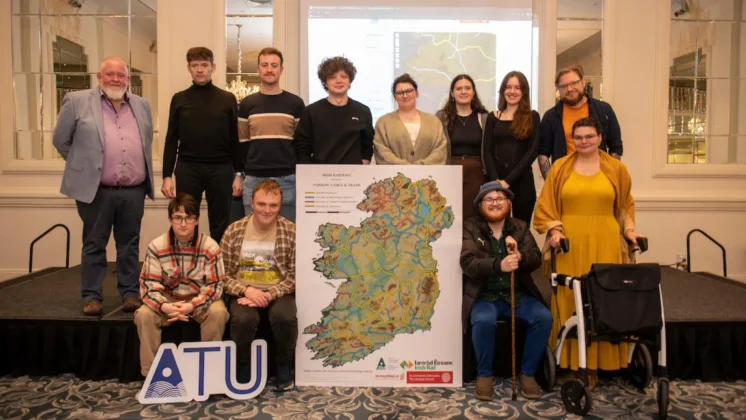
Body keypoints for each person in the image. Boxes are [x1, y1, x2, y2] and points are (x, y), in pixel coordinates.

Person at [533, 117, 644, 390]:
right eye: (579, 137)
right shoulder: (560, 168)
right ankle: (570, 362)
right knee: (571, 299)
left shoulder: (616, 169)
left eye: (589, 136)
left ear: (599, 136)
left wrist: (630, 232)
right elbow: (545, 208)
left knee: (603, 300)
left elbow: (625, 207)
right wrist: (555, 232)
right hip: (570, 244)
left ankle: (598, 364)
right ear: (573, 139)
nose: (584, 141)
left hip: (606, 242)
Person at [52, 56, 154, 316]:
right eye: (110, 74)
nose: (116, 79)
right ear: (99, 76)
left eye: (121, 75)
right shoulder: (77, 101)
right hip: (97, 191)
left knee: (129, 245)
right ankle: (92, 297)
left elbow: (145, 142)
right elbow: (61, 140)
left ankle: (130, 293)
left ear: (128, 79)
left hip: (133, 190)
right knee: (94, 244)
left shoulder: (141, 105)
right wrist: (86, 166)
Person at [461, 181, 550, 401]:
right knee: (483, 321)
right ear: (480, 204)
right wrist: (498, 265)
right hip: (484, 297)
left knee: (543, 317)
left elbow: (536, 257)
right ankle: (484, 375)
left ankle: (527, 373)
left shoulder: (520, 227)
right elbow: (468, 262)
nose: (494, 203)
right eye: (489, 199)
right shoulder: (470, 227)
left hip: (517, 296)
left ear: (508, 203)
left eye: (499, 198)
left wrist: (521, 257)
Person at [134, 193, 229, 377]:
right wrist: (165, 306)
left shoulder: (210, 247)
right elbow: (148, 286)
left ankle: (210, 373)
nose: (183, 223)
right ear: (170, 219)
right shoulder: (156, 246)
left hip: (198, 300)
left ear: (197, 220)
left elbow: (214, 286)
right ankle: (151, 374)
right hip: (168, 300)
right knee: (143, 315)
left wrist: (191, 306)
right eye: (178, 218)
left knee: (218, 312)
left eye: (188, 218)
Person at [221, 179, 297, 391]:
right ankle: (243, 366)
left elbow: (293, 277)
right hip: (243, 291)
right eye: (262, 204)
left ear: (280, 206)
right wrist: (247, 290)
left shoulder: (291, 232)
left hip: (279, 291)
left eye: (273, 205)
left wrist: (270, 294)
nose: (267, 210)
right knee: (243, 319)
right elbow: (222, 275)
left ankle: (283, 365)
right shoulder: (234, 231)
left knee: (285, 316)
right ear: (252, 203)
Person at [161, 46, 243, 244]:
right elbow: (171, 139)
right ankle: (187, 265)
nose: (200, 70)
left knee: (220, 222)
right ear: (189, 68)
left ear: (212, 67)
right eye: (195, 65)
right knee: (185, 219)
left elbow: (235, 139)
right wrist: (166, 175)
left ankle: (218, 268)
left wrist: (239, 174)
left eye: (204, 65)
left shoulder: (227, 99)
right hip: (188, 168)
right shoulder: (179, 99)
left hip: (221, 168)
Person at [238, 47, 305, 222]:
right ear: (258, 69)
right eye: (264, 65)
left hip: (288, 179)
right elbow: (243, 143)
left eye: (274, 65)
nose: (269, 70)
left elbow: (301, 143)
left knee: (288, 236)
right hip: (253, 179)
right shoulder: (247, 104)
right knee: (254, 237)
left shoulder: (296, 103)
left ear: (281, 69)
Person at [538, 65, 623, 179]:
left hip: (600, 179)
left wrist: (610, 177)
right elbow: (543, 153)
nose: (569, 89)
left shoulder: (604, 110)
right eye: (564, 86)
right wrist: (551, 184)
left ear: (583, 82)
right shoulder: (551, 116)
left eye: (574, 83)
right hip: (564, 181)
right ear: (557, 88)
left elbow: (615, 147)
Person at [482, 71, 540, 224]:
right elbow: (486, 151)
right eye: (508, 87)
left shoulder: (532, 116)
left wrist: (508, 181)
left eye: (517, 88)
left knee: (521, 229)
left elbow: (532, 151)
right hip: (496, 182)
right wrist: (496, 182)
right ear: (503, 90)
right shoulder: (493, 117)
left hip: (522, 182)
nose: (512, 91)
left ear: (524, 92)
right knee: (496, 230)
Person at [294, 56, 374, 164]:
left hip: (354, 176)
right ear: (325, 83)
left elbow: (367, 145)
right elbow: (302, 147)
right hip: (320, 175)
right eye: (332, 77)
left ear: (350, 81)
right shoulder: (311, 111)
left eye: (344, 76)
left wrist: (364, 164)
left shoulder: (363, 111)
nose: (339, 81)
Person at [436, 74, 489, 220]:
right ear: (452, 93)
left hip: (477, 174)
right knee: (451, 214)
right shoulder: (441, 117)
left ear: (473, 92)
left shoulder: (484, 117)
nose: (463, 91)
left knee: (476, 214)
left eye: (467, 88)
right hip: (450, 172)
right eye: (459, 88)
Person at [373, 73, 447, 165]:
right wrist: (405, 168)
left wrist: (420, 167)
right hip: (395, 177)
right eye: (400, 93)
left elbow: (440, 150)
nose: (405, 96)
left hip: (428, 177)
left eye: (409, 91)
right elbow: (381, 151)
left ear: (416, 93)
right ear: (395, 97)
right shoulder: (383, 123)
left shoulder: (434, 122)